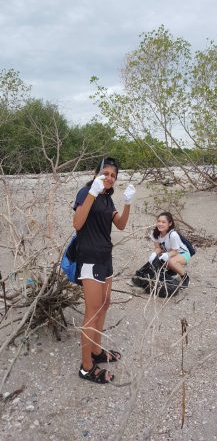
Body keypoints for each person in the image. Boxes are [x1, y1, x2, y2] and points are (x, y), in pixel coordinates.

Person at [73, 157, 136, 384]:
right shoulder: (86, 192)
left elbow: (120, 224)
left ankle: (97, 351)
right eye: (106, 173)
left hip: (105, 257)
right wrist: (92, 192)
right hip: (89, 258)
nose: (109, 178)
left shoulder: (108, 199)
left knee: (104, 304)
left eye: (113, 176)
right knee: (91, 311)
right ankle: (86, 366)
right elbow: (77, 223)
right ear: (96, 173)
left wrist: (127, 202)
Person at [148, 212, 190, 288]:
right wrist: (153, 254)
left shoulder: (173, 235)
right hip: (170, 253)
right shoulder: (155, 233)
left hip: (182, 253)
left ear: (170, 224)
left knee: (170, 261)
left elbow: (175, 251)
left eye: (163, 222)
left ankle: (185, 277)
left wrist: (167, 255)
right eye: (159, 221)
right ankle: (172, 272)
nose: (160, 224)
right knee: (156, 260)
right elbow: (158, 248)